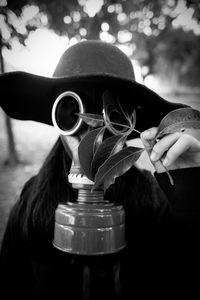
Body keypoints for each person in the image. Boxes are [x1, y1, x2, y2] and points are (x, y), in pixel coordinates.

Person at [0, 40, 200, 300]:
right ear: (54, 118)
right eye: (72, 113)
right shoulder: (31, 205)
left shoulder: (157, 204)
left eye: (114, 117)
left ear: (132, 124)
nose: (92, 136)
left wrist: (191, 196)